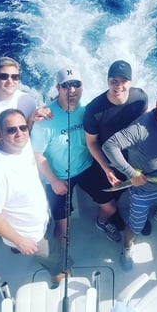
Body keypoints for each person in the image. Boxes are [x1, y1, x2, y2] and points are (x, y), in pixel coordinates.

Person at [102, 81, 157, 270]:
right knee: (136, 227)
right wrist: (131, 174)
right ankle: (127, 247)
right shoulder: (141, 127)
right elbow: (109, 145)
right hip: (142, 190)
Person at [0, 109, 70, 287]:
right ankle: (59, 276)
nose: (20, 133)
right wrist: (20, 241)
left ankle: (16, 247)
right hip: (30, 234)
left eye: (23, 127)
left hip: (38, 219)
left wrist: (32, 117)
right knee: (56, 259)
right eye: (11, 130)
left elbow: (24, 134)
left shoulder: (21, 145)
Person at [31, 66, 99, 245]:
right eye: (66, 85)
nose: (72, 90)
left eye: (76, 84)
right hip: (58, 177)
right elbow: (37, 154)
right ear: (57, 88)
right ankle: (61, 258)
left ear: (83, 86)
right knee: (62, 228)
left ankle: (104, 222)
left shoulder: (88, 109)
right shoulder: (45, 118)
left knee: (110, 206)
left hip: (86, 167)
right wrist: (53, 180)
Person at [0, 56, 49, 252]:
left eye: (15, 77)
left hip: (23, 164)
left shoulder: (26, 100)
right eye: (4, 76)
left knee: (19, 205)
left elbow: (25, 132)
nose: (10, 81)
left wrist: (34, 118)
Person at [83, 60, 149, 241]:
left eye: (123, 81)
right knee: (110, 203)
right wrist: (107, 168)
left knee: (137, 190)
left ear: (131, 81)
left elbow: (145, 121)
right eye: (114, 81)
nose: (118, 86)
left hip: (133, 159)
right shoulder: (94, 110)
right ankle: (104, 221)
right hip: (106, 163)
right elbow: (92, 142)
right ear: (107, 80)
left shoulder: (140, 97)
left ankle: (138, 217)